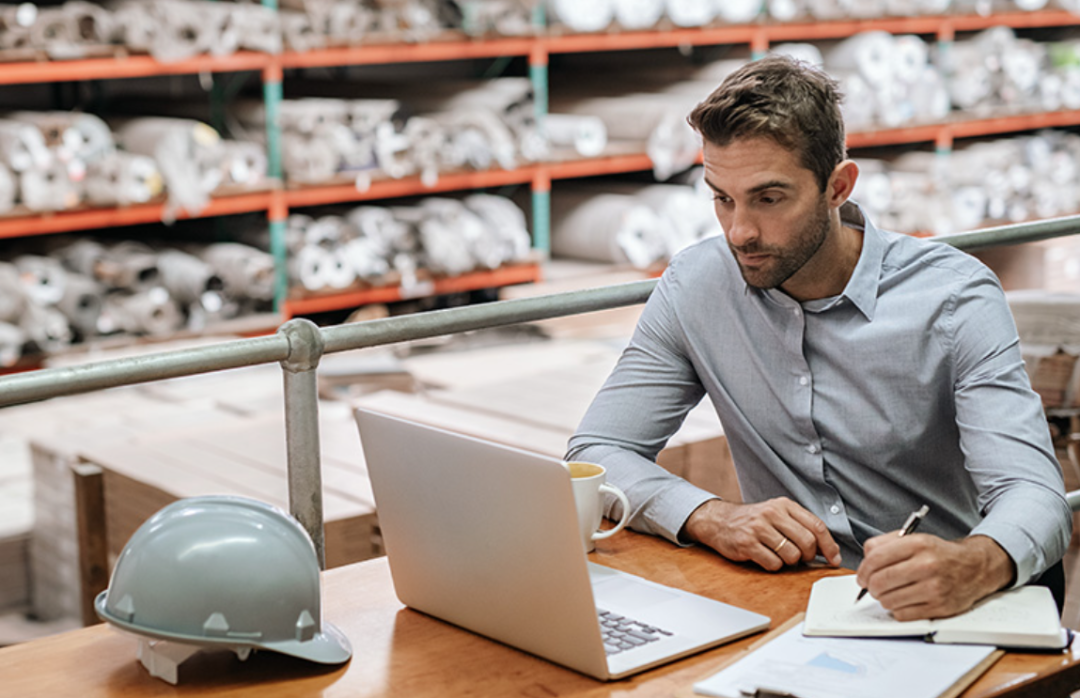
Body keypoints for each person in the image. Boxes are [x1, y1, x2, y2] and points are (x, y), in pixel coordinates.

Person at [565, 54, 1072, 621]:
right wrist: (710, 516)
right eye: (722, 198)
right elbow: (595, 452)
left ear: (838, 186)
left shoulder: (954, 298)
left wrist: (976, 562)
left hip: (942, 608)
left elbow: (1034, 493)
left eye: (769, 198)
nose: (739, 231)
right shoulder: (695, 285)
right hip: (786, 604)